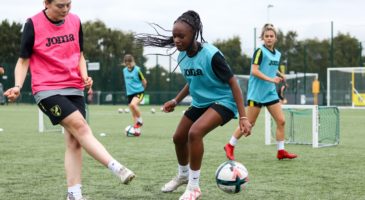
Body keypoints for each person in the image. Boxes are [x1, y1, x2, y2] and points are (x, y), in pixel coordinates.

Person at [4, 1, 135, 199]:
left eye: (68, 4)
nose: (65, 9)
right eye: (60, 5)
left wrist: (84, 76)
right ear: (46, 3)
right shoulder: (32, 24)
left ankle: (74, 194)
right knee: (81, 126)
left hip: (74, 88)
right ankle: (116, 167)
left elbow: (80, 55)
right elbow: (23, 60)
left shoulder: (75, 21)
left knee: (75, 141)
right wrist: (17, 86)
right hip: (46, 89)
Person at [136, 10, 252, 200]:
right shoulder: (181, 56)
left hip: (223, 101)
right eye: (174, 36)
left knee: (195, 133)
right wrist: (175, 100)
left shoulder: (212, 54)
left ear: (194, 35)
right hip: (201, 102)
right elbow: (192, 81)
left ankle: (194, 186)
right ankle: (183, 176)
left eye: (181, 36)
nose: (177, 40)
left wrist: (243, 116)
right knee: (178, 137)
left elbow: (233, 83)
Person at [224, 23, 297, 161]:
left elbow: (269, 66)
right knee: (249, 123)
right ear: (262, 38)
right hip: (256, 93)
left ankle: (281, 151)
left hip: (269, 93)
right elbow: (255, 70)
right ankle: (230, 145)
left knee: (281, 121)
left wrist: (280, 74)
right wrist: (272, 79)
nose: (269, 38)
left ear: (276, 38)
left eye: (271, 36)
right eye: (266, 36)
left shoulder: (278, 54)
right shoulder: (259, 51)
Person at [122, 54, 147, 136]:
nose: (128, 63)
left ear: (133, 61)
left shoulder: (137, 70)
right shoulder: (124, 70)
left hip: (139, 92)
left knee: (133, 104)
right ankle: (137, 131)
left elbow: (144, 81)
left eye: (129, 62)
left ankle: (140, 121)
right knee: (133, 113)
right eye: (126, 62)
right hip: (130, 94)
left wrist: (142, 90)